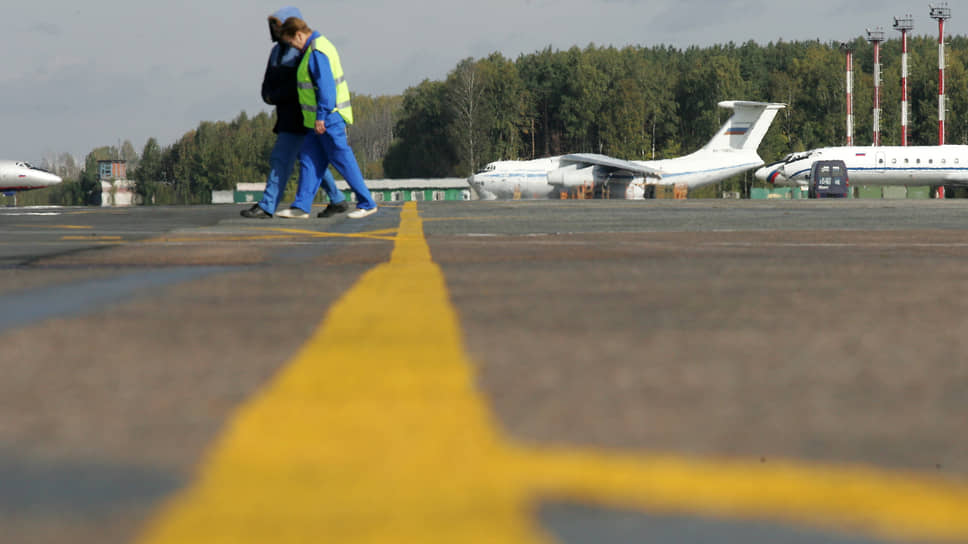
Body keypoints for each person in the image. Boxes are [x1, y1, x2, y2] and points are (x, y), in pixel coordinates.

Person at [241, 7, 345, 219]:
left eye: (278, 25)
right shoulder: (276, 53)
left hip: (300, 116)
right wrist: (269, 95)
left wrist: (277, 95)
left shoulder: (302, 51)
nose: (275, 31)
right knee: (310, 159)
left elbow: (301, 83)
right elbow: (268, 81)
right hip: (286, 115)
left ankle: (268, 205)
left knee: (281, 159)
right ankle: (337, 199)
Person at [278, 16, 378, 219]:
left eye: (291, 43)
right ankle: (301, 206)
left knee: (342, 158)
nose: (293, 48)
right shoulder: (316, 47)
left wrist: (321, 116)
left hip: (328, 118)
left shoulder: (316, 52)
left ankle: (367, 203)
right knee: (308, 159)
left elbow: (327, 89)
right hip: (319, 120)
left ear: (299, 35)